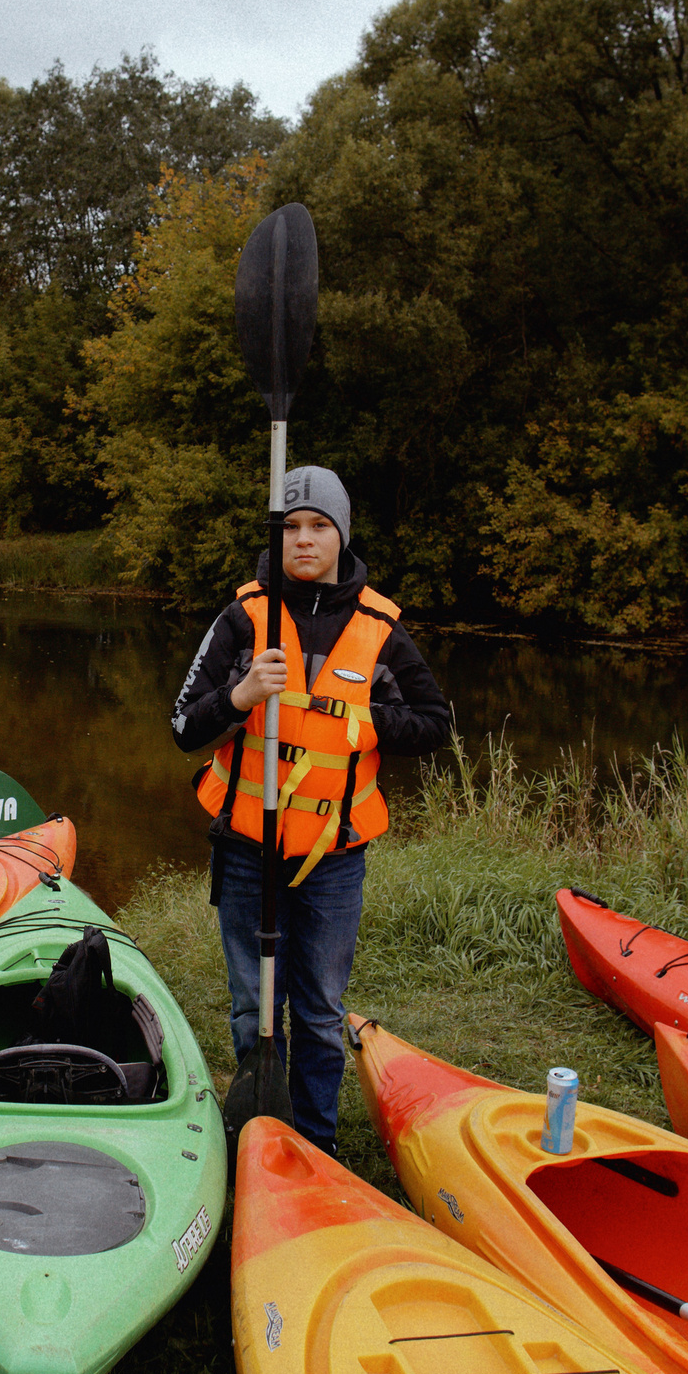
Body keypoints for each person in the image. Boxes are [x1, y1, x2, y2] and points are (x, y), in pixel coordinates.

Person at [168, 465, 450, 1154]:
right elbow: (182, 725)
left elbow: (436, 720)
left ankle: (316, 1145)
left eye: (318, 526)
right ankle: (263, 1130)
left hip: (333, 856)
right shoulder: (243, 618)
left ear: (340, 534)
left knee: (320, 1011)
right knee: (252, 1006)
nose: (303, 539)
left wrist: (366, 718)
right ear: (277, 534)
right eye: (290, 527)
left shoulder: (379, 628)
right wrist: (238, 701)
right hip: (245, 849)